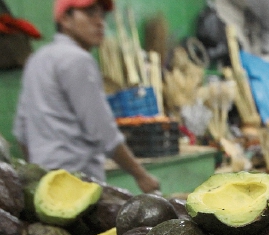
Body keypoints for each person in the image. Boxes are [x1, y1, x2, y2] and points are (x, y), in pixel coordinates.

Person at [12, 0, 160, 193]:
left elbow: (21, 132)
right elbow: (102, 130)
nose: (100, 22)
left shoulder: (36, 60)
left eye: (101, 15)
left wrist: (40, 175)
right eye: (90, 13)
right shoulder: (77, 59)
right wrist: (141, 175)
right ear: (65, 19)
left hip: (45, 185)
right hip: (78, 184)